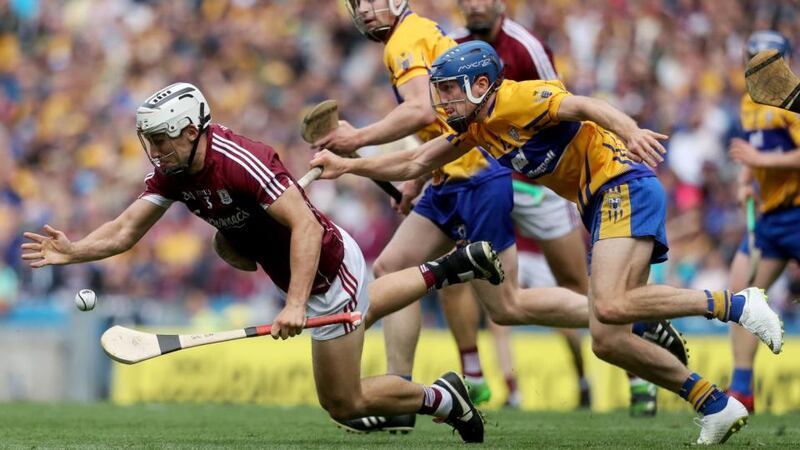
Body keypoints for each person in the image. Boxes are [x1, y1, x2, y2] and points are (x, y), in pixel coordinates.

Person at [310, 41, 785, 444]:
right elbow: (415, 164)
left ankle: (739, 304)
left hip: (622, 183)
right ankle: (714, 403)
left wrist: (630, 130)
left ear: (481, 85)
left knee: (613, 305)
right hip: (598, 200)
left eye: (452, 89)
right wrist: (350, 164)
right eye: (441, 90)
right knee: (607, 338)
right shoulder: (476, 126)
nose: (444, 100)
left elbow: (583, 105)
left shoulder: (515, 99)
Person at [19, 82, 509, 443]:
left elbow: (309, 228)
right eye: (150, 139)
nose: (155, 149)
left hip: (325, 270)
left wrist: (296, 304)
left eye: (162, 138)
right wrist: (76, 250)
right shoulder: (173, 170)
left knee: (344, 402)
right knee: (356, 301)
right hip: (312, 269)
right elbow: (125, 231)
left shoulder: (240, 161)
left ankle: (444, 399)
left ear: (191, 131)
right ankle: (448, 267)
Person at [319, 1, 684, 432]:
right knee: (393, 266)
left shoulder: (410, 40)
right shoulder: (429, 35)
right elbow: (425, 144)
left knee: (513, 303)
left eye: (375, 1)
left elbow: (429, 112)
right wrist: (355, 167)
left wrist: (357, 139)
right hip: (454, 172)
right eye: (359, 4)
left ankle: (631, 318)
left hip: (492, 170)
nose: (366, 11)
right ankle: (406, 391)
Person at [452, 0, 677, 415]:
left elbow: (565, 107)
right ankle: (481, 375)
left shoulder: (525, 46)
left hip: (542, 180)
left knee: (581, 283)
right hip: (488, 177)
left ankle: (631, 374)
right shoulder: (454, 49)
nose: (473, 5)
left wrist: (625, 131)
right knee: (469, 270)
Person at [724, 31, 800, 414]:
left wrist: (761, 160)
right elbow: (750, 153)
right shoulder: (746, 102)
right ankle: (742, 390)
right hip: (770, 217)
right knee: (741, 296)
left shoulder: (794, 101)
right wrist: (743, 184)